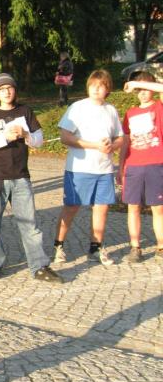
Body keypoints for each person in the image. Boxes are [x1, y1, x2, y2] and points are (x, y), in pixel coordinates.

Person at [0, 73, 63, 282]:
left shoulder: (25, 111)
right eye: (1, 89)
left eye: (9, 88)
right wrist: (4, 137)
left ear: (15, 90)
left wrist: (26, 135)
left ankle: (39, 266)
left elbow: (39, 140)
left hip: (21, 176)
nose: (6, 92)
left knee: (30, 225)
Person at [53, 69, 124, 266]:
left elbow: (120, 137)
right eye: (93, 85)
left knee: (101, 208)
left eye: (100, 86)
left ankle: (96, 247)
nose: (96, 89)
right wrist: (93, 145)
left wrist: (112, 146)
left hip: (104, 169)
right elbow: (65, 136)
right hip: (79, 168)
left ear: (107, 89)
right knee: (71, 207)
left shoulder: (111, 110)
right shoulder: (77, 107)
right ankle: (58, 246)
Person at [120, 73, 163, 261]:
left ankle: (161, 246)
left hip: (156, 164)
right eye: (139, 90)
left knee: (158, 208)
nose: (143, 93)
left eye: (146, 89)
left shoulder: (159, 107)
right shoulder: (130, 113)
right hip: (134, 166)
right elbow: (125, 142)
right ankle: (135, 247)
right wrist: (120, 167)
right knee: (133, 207)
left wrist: (136, 82)